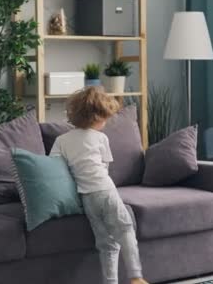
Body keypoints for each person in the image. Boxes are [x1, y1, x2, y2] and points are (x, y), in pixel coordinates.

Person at [50, 86, 149, 284]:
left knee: (106, 244)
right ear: (98, 116)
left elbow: (54, 166)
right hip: (106, 191)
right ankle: (136, 276)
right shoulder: (101, 138)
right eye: (105, 118)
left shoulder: (62, 140)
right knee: (126, 230)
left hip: (87, 198)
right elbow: (104, 167)